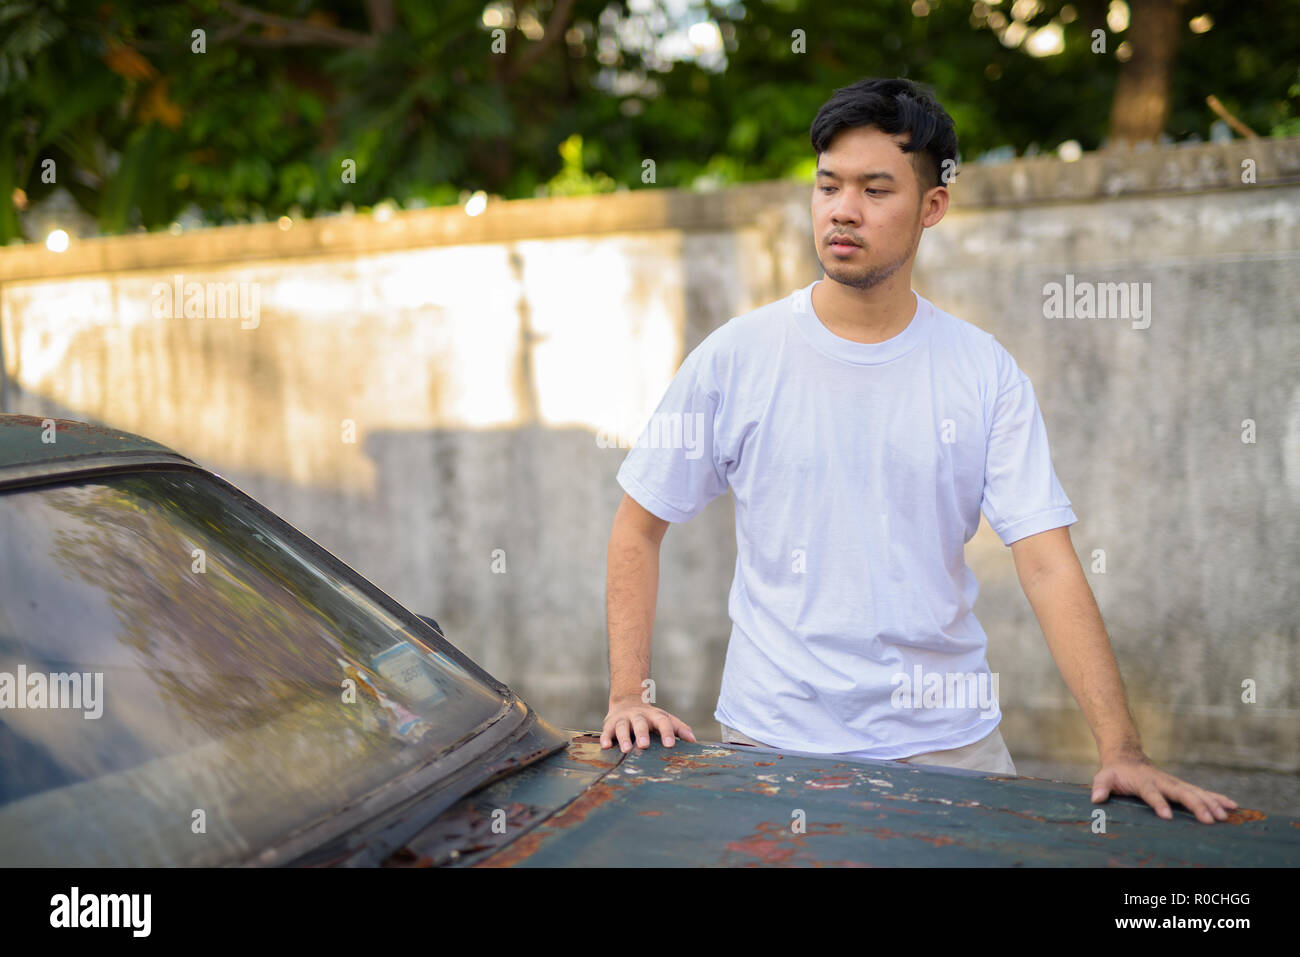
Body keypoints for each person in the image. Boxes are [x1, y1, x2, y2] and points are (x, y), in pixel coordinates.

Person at [601, 76, 1237, 824]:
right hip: (773, 741)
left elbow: (1046, 559)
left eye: (876, 189)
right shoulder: (738, 356)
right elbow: (638, 525)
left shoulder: (982, 370)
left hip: (949, 744)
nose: (843, 209)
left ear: (932, 206)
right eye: (828, 185)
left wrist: (1121, 747)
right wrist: (627, 693)